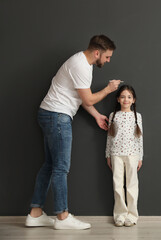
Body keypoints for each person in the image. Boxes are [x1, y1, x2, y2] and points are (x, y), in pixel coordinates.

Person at [25, 35, 122, 230]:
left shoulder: (82, 63)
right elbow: (88, 99)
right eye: (107, 57)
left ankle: (35, 214)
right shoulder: (81, 66)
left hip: (49, 113)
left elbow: (81, 98)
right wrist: (108, 89)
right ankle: (62, 216)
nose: (108, 60)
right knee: (61, 167)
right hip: (57, 117)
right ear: (97, 52)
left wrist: (95, 115)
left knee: (50, 165)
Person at [105, 85, 143, 227]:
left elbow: (140, 138)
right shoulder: (113, 116)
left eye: (129, 97)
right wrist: (108, 155)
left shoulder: (137, 116)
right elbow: (109, 137)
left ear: (133, 100)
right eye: (122, 96)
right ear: (118, 99)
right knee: (117, 186)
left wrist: (140, 157)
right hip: (116, 154)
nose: (125, 99)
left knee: (132, 185)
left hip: (132, 154)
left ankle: (132, 215)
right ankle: (120, 215)